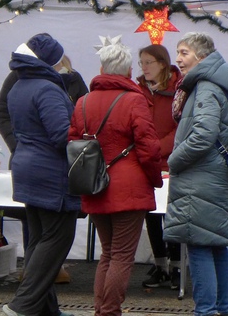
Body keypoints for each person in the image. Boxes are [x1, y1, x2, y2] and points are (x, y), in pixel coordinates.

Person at [69, 35, 163, 316]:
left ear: (101, 70)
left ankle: (102, 310)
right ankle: (109, 312)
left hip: (94, 184)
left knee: (107, 253)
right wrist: (155, 179)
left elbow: (72, 142)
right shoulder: (134, 101)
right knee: (122, 256)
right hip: (128, 187)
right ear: (128, 71)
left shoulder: (83, 102)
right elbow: (149, 147)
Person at [164, 32, 228, 316]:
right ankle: (225, 309)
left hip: (199, 179)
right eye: (178, 52)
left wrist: (174, 160)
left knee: (199, 244)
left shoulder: (206, 87)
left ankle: (207, 311)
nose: (177, 59)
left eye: (184, 52)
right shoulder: (214, 84)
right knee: (215, 244)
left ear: (201, 57)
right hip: (212, 177)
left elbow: (203, 135)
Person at [0, 37, 83, 284]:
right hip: (50, 172)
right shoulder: (46, 89)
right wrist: (83, 138)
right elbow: (60, 135)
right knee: (56, 238)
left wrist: (22, 147)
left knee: (37, 237)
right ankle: (25, 302)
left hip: (29, 167)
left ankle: (45, 307)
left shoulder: (20, 85)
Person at [135, 44, 183, 290]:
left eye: (148, 63)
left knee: (171, 214)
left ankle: (176, 265)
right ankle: (160, 264)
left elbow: (181, 126)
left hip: (170, 161)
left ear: (162, 64)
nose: (143, 68)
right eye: (141, 62)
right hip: (147, 161)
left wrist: (159, 146)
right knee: (150, 214)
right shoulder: (140, 90)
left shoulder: (179, 90)